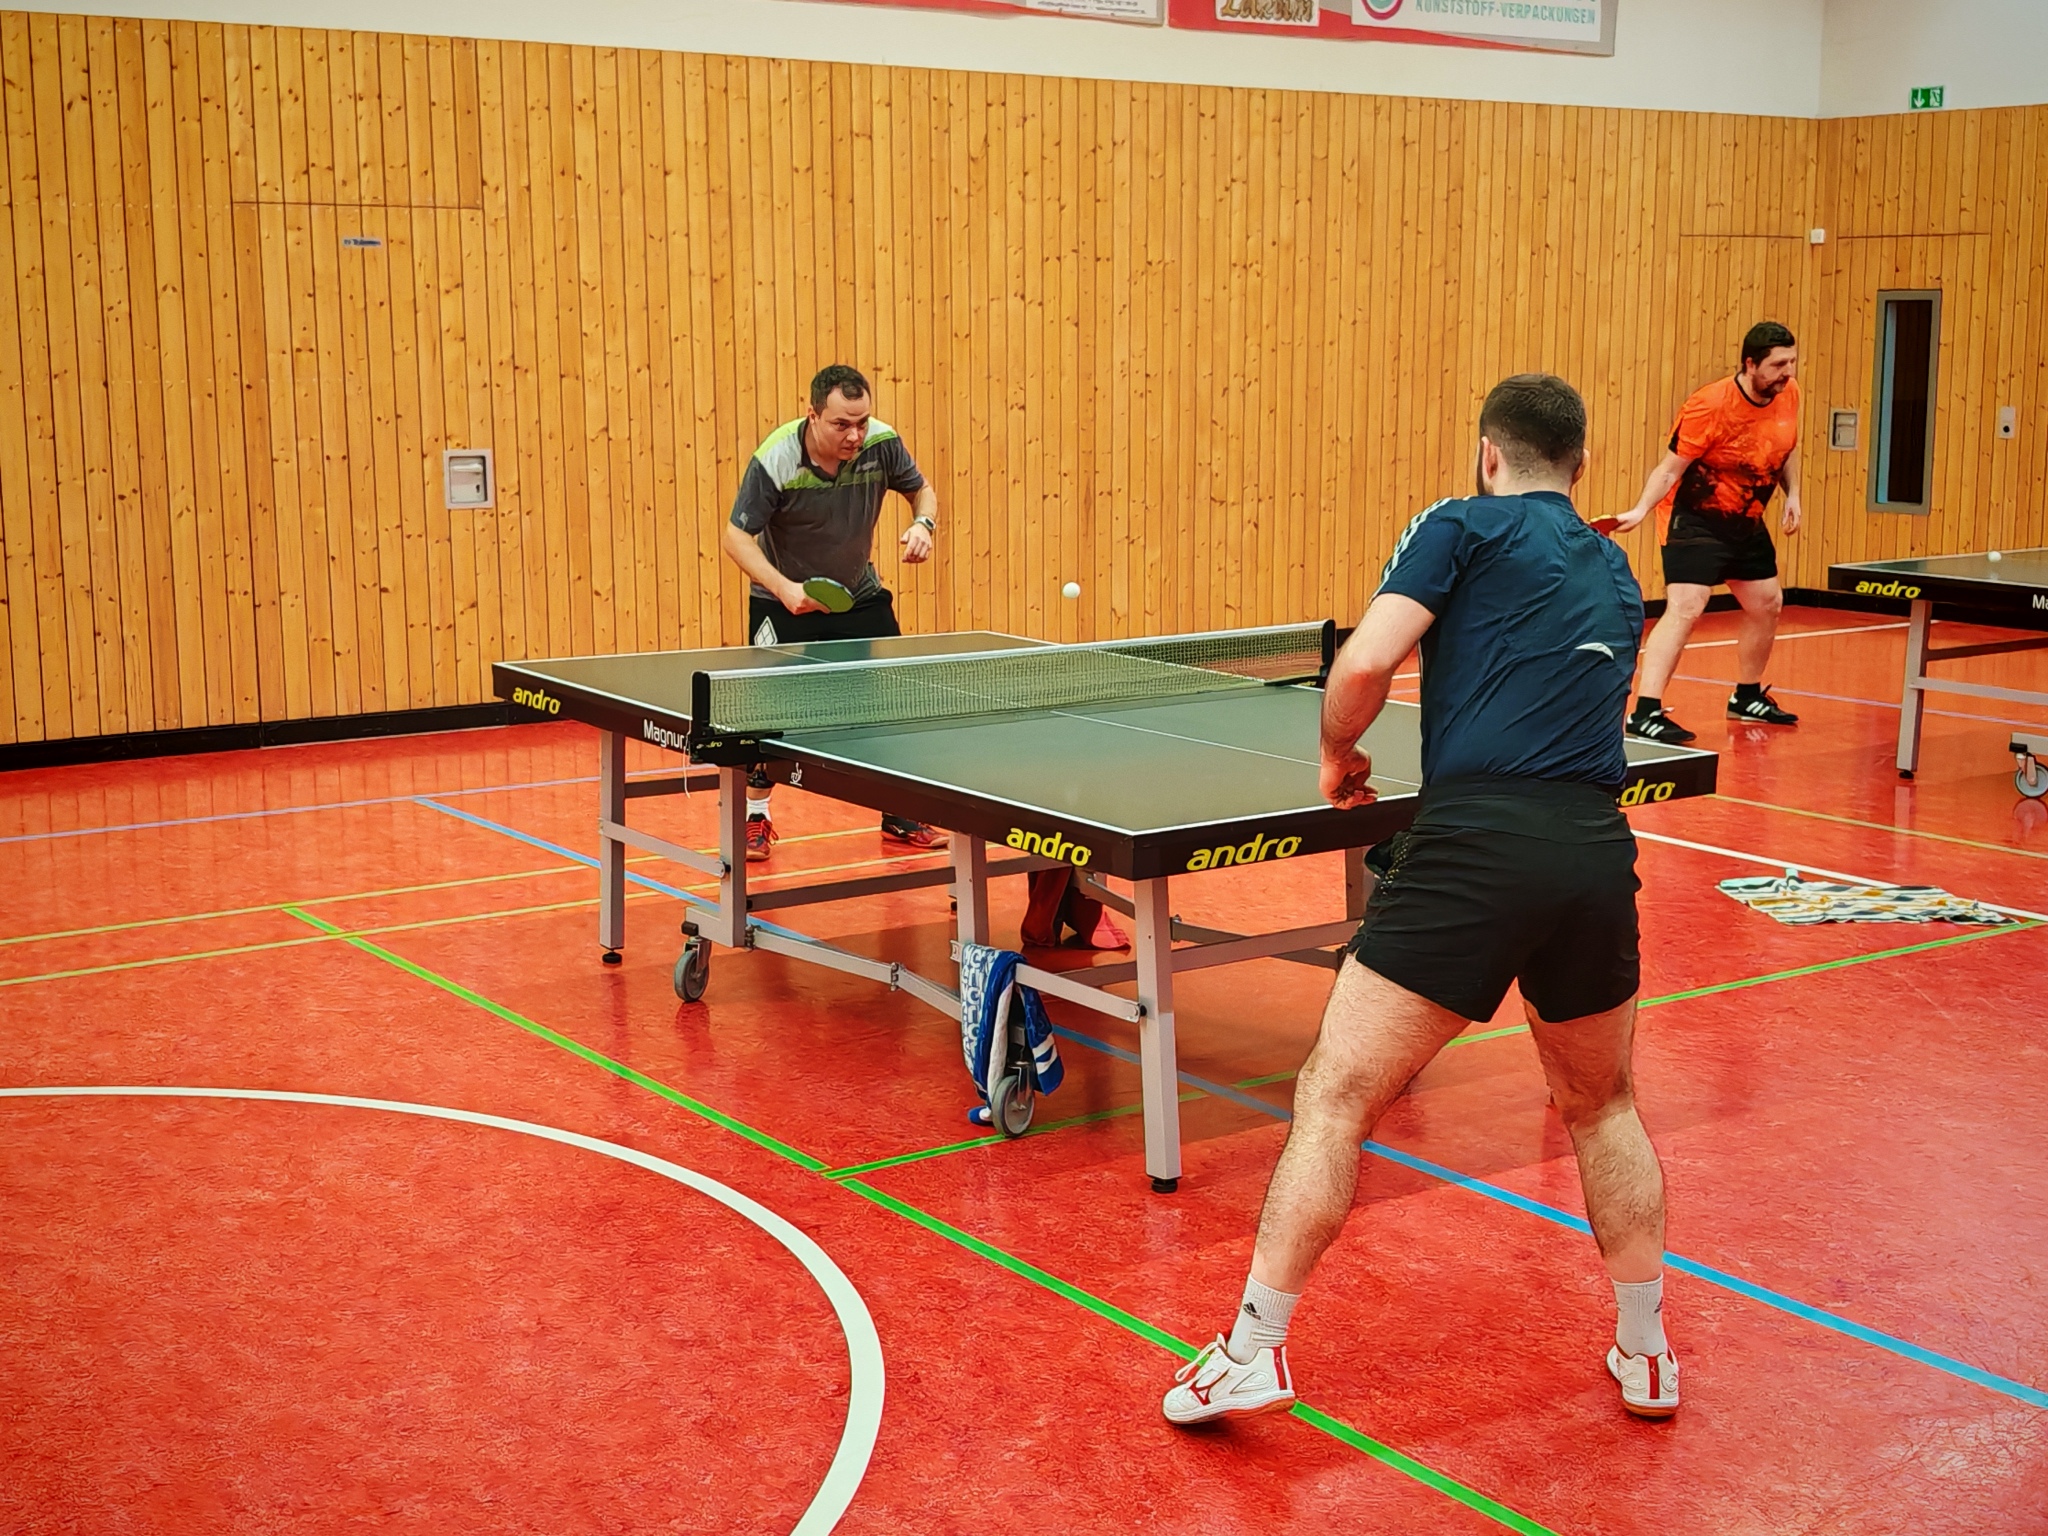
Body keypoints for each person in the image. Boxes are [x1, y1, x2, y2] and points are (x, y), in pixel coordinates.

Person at [1162, 374, 1681, 1428]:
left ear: (1489, 455)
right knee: (1603, 1106)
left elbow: (1365, 661)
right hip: (1592, 849)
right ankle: (1648, 1349)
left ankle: (1253, 1350)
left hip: (1473, 847)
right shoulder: (1615, 567)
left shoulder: (1458, 524)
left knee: (1334, 1096)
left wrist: (1335, 751)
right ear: (1578, 466)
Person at [721, 365, 948, 861]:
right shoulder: (777, 458)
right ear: (813, 416)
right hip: (785, 597)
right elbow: (736, 537)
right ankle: (754, 816)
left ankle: (898, 810)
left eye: (861, 422)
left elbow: (921, 489)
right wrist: (784, 589)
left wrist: (924, 524)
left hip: (856, 593)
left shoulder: (882, 443)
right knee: (769, 718)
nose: (855, 435)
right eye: (842, 424)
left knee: (890, 702)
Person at [1615, 321, 1804, 743]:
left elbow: (1785, 445)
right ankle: (1644, 712)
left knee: (1767, 603)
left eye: (1791, 362)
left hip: (1746, 518)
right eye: (1778, 364)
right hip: (1694, 516)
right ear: (1750, 364)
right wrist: (1641, 508)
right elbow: (1670, 469)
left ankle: (1746, 697)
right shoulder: (1709, 405)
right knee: (1687, 606)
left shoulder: (1788, 393)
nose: (1788, 372)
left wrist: (1793, 495)